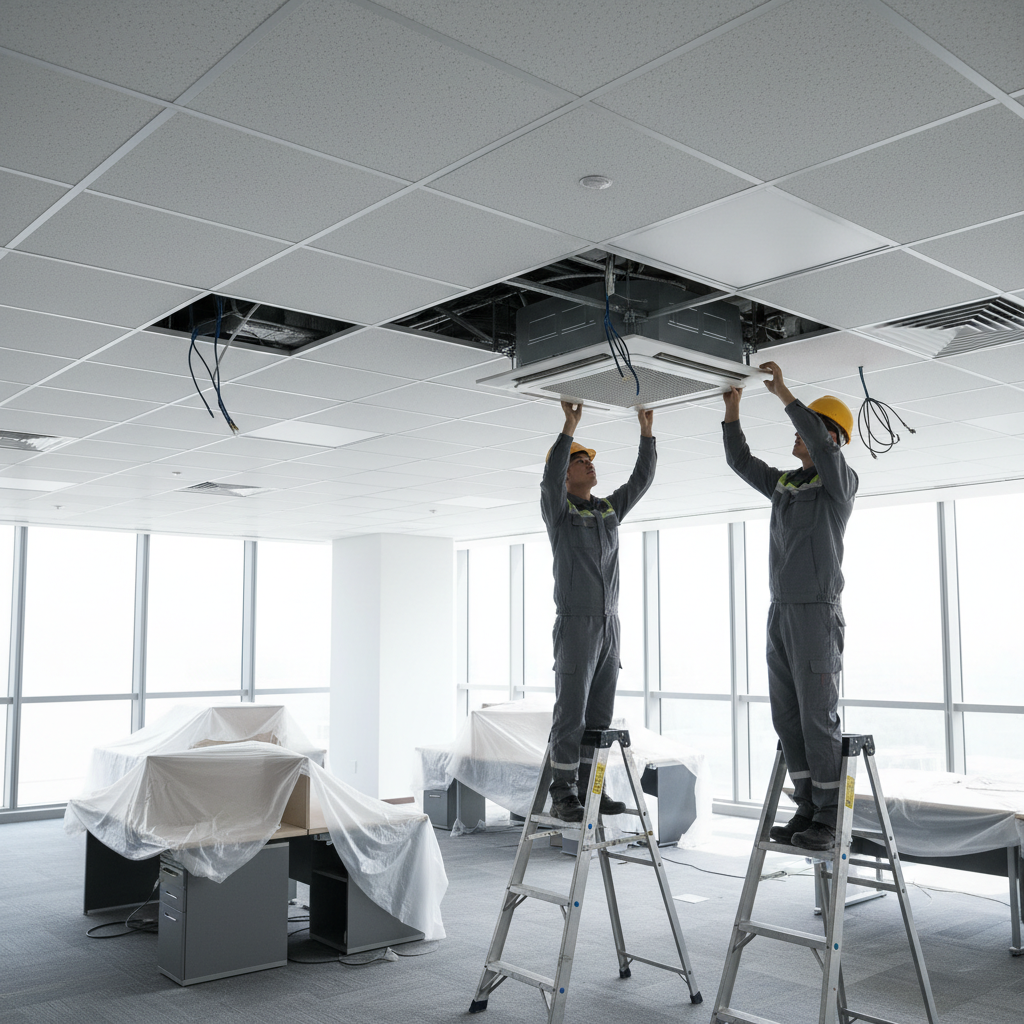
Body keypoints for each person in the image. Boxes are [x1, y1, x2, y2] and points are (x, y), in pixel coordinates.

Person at [722, 362, 857, 851]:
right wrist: (733, 413)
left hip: (817, 613)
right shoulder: (785, 485)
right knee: (788, 717)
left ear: (828, 434)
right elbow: (741, 462)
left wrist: (783, 394)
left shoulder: (840, 482)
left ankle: (828, 816)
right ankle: (806, 804)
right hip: (780, 612)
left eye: (803, 431)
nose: (794, 440)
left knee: (818, 716)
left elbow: (821, 446)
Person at [540, 400, 656, 822]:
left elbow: (640, 481)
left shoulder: (607, 511)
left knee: (599, 717)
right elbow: (548, 484)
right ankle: (564, 792)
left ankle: (593, 787)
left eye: (589, 460)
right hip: (575, 624)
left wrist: (646, 436)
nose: (590, 465)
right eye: (580, 461)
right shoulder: (560, 513)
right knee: (570, 713)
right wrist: (568, 429)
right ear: (564, 472)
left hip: (610, 626)